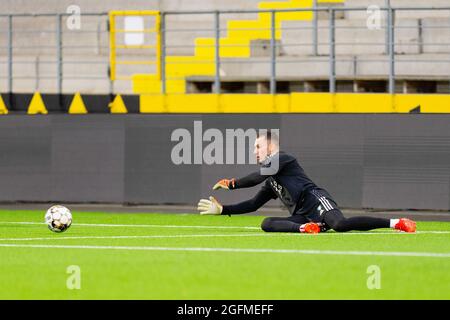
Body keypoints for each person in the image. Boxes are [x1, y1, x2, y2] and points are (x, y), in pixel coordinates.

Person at [197, 131, 416, 234]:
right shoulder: (272, 181)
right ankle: (307, 228)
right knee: (266, 223)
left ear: (270, 148)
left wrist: (232, 184)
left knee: (339, 225)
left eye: (258, 146)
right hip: (302, 214)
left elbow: (256, 177)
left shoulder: (282, 158)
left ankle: (395, 223)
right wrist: (223, 209)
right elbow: (253, 204)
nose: (254, 151)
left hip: (315, 200)